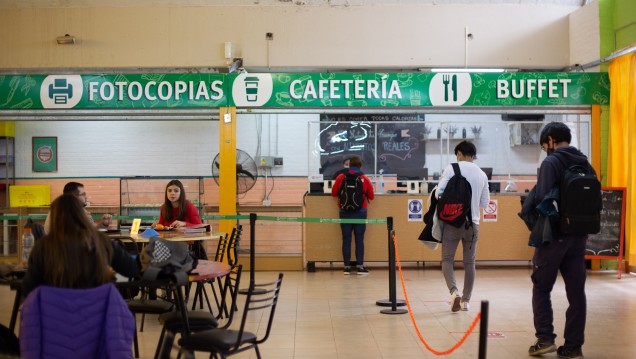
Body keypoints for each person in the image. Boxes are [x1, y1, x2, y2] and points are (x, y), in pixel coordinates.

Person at [528, 122, 594, 359]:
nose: (545, 148)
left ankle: (545, 339)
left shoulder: (551, 162)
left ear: (551, 140)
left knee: (541, 286)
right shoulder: (585, 162)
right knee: (577, 292)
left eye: (545, 143)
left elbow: (545, 200)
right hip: (579, 237)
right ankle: (573, 346)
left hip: (554, 236)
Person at [22, 194, 139, 297]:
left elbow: (29, 288)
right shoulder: (101, 242)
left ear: (54, 218)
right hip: (96, 313)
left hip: (56, 316)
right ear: (81, 215)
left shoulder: (43, 246)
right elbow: (131, 269)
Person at [436, 140, 490, 312]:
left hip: (452, 222)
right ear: (473, 155)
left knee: (447, 260)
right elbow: (485, 203)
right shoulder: (482, 174)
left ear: (459, 153)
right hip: (472, 224)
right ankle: (466, 301)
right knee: (469, 263)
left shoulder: (451, 168)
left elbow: (439, 193)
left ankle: (454, 293)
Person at [331, 156, 374, 275]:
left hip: (344, 212)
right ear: (360, 165)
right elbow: (371, 196)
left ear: (349, 165)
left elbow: (334, 193)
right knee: (359, 239)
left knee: (346, 239)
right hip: (360, 212)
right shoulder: (364, 178)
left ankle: (347, 267)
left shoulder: (341, 177)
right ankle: (360, 267)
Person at [155, 179, 207, 259]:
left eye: (176, 191)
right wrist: (156, 226)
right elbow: (161, 226)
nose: (172, 193)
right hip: (168, 244)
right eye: (169, 191)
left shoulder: (189, 206)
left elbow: (201, 227)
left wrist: (185, 224)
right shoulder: (164, 207)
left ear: (181, 193)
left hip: (187, 246)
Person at [43, 182, 112, 233]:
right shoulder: (59, 211)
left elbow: (93, 229)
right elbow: (65, 236)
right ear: (74, 197)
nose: (86, 197)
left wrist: (104, 224)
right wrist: (82, 222)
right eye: (83, 194)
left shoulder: (81, 210)